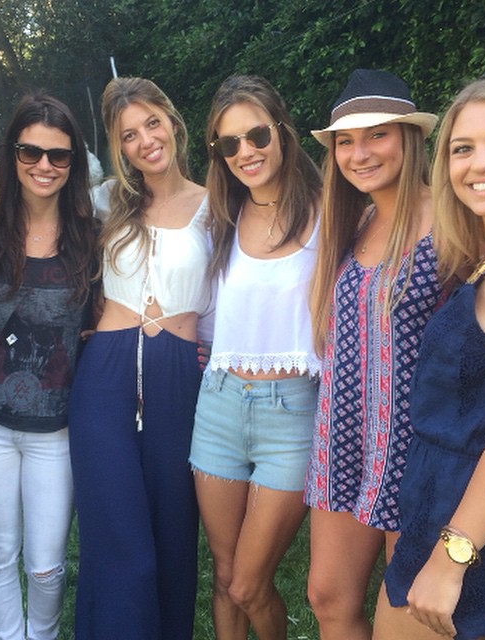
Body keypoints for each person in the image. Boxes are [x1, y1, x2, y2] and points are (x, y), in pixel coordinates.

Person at [376, 74, 485, 640]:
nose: (480, 163)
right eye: (462, 148)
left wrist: (452, 558)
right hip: (445, 500)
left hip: (483, 528)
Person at [68, 76, 210, 640]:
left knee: (173, 540)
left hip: (180, 377)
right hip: (104, 376)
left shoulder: (217, 205)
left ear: (173, 122)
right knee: (123, 549)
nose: (146, 140)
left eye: (153, 123)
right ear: (119, 148)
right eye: (129, 135)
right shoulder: (105, 202)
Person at [304, 68, 443, 640]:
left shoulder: (454, 219)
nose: (359, 154)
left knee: (405, 614)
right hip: (345, 435)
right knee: (327, 596)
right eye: (345, 141)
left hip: (418, 444)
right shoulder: (352, 220)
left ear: (409, 138)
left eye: (377, 135)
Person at [189, 74, 322, 640]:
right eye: (229, 143)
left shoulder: (332, 213)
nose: (246, 151)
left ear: (283, 131)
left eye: (257, 135)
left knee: (248, 584)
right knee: (224, 578)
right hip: (218, 405)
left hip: (291, 414)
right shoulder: (220, 218)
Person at [0, 92, 99, 640]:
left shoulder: (93, 236)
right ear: (12, 154)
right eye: (30, 152)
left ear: (73, 162)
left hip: (57, 427)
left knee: (46, 567)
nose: (44, 165)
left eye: (58, 155)